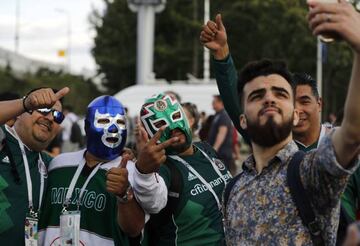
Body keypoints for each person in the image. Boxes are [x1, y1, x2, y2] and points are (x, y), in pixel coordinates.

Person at [200, 0, 360, 244]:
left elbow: (353, 132)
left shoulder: (313, 171)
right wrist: (222, 57)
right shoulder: (233, 191)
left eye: (280, 94)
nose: (269, 99)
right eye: (257, 95)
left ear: (294, 114)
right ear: (242, 119)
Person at [38, 95, 170, 245]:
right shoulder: (58, 164)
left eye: (119, 123)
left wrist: (124, 194)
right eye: (103, 121)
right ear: (87, 126)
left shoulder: (134, 172)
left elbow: (134, 229)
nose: (113, 128)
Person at [138, 93, 232, 245]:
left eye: (175, 116)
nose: (173, 127)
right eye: (161, 124)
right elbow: (152, 201)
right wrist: (143, 172)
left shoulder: (206, 149)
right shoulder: (162, 169)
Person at [0, 87, 69, 245]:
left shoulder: (51, 164)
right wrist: (25, 103)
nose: (50, 118)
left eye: (57, 115)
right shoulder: (3, 140)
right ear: (19, 113)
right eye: (43, 109)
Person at [208, 95, 235, 174]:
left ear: (220, 102)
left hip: (223, 154)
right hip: (219, 153)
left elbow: (222, 133)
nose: (212, 104)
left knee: (225, 176)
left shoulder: (224, 115)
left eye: (214, 102)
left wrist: (214, 150)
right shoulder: (218, 115)